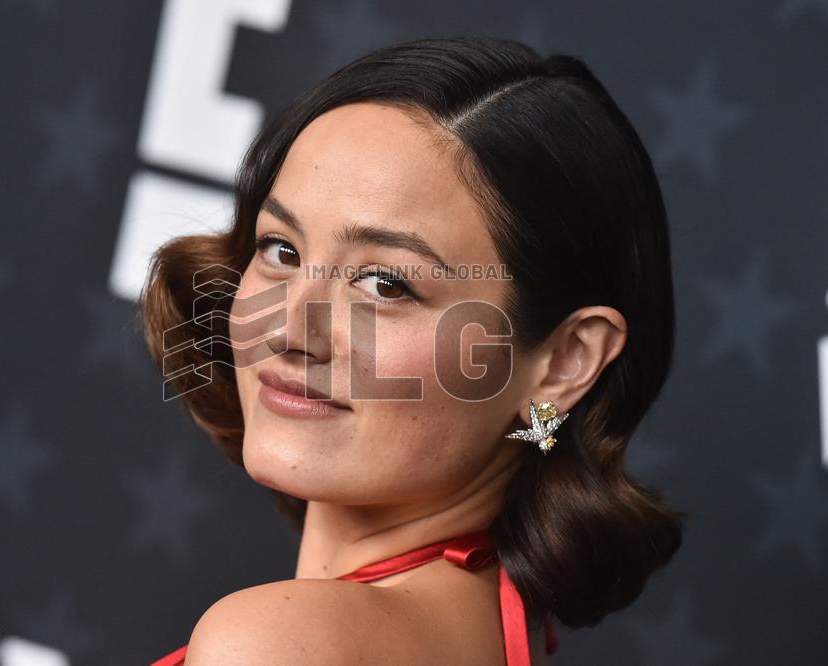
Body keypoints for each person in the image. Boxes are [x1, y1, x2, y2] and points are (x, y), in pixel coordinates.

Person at [141, 35, 685, 665]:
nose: (289, 328)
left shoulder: (280, 647)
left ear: (565, 361)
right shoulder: (485, 625)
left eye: (385, 283)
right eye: (281, 250)